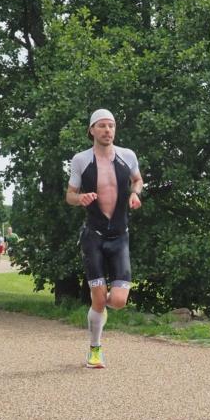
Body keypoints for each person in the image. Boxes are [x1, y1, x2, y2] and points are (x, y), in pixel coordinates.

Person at [66, 109, 143, 369]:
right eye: (102, 126)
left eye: (111, 125)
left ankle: (99, 307)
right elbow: (70, 195)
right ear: (92, 130)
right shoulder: (81, 160)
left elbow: (137, 180)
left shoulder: (127, 155)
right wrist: (81, 198)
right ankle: (95, 349)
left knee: (118, 301)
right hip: (94, 237)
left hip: (120, 236)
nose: (107, 130)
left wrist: (135, 193)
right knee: (99, 300)